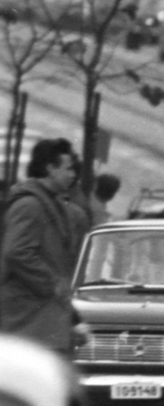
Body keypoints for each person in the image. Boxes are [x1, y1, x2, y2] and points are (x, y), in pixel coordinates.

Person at [0, 138, 89, 354]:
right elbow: (17, 252)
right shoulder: (29, 205)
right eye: (68, 169)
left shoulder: (50, 203)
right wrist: (52, 284)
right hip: (29, 323)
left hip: (42, 321)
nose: (73, 175)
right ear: (50, 168)